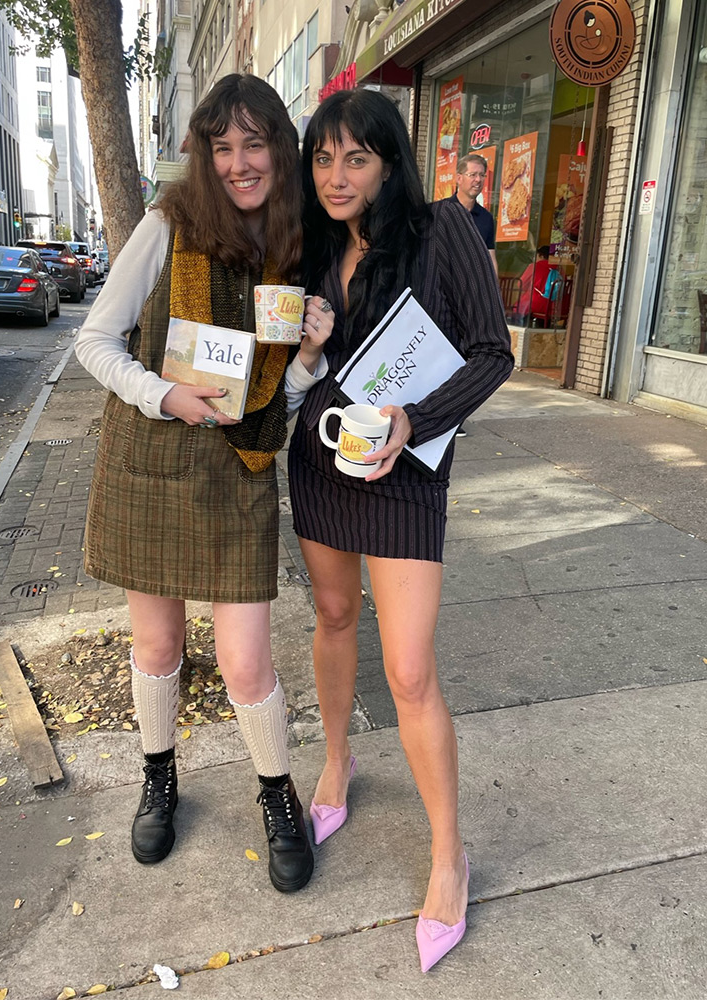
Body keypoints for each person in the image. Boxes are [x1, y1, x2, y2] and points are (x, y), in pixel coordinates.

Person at [75, 74, 333, 893]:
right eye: (221, 147)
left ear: (279, 150)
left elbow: (276, 408)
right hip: (153, 459)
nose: (237, 163)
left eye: (254, 144)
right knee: (156, 648)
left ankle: (276, 793)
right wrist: (164, 394)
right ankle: (159, 778)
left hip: (240, 466)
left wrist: (305, 362)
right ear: (201, 152)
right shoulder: (168, 224)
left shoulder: (294, 247)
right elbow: (94, 340)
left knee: (245, 662)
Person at [288, 89, 513, 970]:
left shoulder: (440, 231)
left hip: (406, 474)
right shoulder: (309, 247)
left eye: (356, 158)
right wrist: (303, 356)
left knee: (411, 669)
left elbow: (493, 350)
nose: (337, 177)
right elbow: (298, 373)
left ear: (389, 161)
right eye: (323, 159)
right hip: (323, 467)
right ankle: (338, 764)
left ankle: (449, 855)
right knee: (335, 620)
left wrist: (412, 422)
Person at [447, 152, 498, 437]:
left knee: (464, 359)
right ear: (458, 177)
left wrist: (494, 297)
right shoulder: (440, 212)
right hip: (443, 297)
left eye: (481, 175)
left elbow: (490, 258)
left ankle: (454, 418)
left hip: (472, 300)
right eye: (472, 174)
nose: (477, 180)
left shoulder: (485, 219)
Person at [517, 245, 561, 324]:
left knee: (518, 307)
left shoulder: (535, 266)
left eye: (536, 256)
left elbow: (520, 284)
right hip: (555, 306)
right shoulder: (560, 268)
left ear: (541, 255)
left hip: (537, 304)